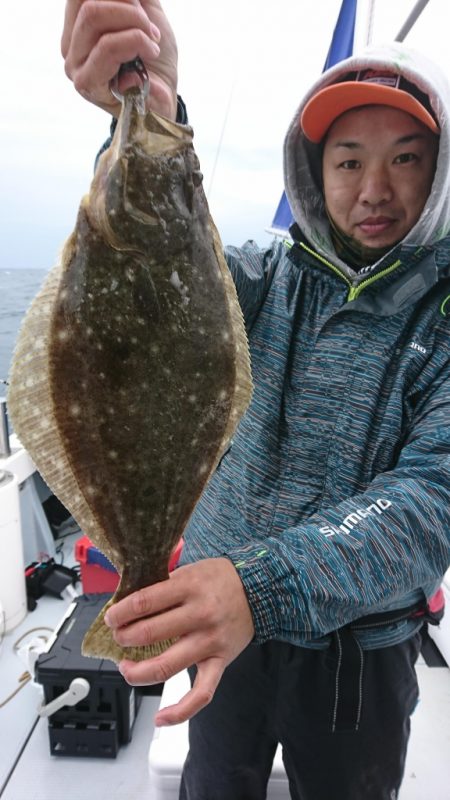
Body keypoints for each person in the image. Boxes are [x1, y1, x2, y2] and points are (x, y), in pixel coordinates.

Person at [62, 3, 450, 798]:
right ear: (315, 171)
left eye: (406, 159)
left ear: (440, 171)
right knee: (215, 783)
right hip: (217, 626)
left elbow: (432, 498)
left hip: (356, 654)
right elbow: (147, 268)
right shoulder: (258, 282)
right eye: (348, 161)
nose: (374, 188)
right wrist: (151, 116)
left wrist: (256, 589)